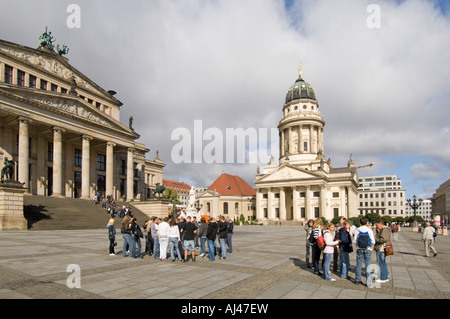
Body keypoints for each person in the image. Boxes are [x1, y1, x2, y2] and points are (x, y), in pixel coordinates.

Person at [353, 217, 375, 286]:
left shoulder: (358, 230)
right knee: (367, 265)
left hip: (359, 249)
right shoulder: (369, 230)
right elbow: (373, 241)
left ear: (360, 223)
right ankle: (368, 282)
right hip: (367, 249)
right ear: (367, 223)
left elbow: (354, 241)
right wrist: (369, 246)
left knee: (359, 265)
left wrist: (358, 246)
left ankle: (357, 279)